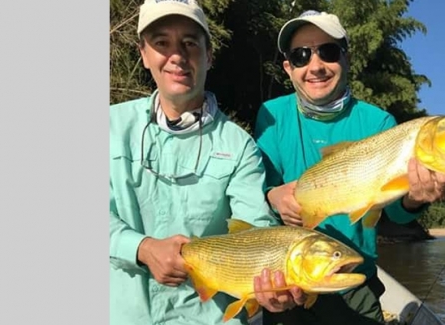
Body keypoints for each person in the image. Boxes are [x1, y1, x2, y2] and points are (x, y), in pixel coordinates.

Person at [254, 10, 445, 325]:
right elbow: (255, 192)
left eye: (328, 51)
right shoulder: (271, 115)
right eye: (301, 56)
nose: (315, 66)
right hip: (290, 285)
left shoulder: (378, 122)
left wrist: (417, 197)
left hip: (354, 282)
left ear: (346, 58)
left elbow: (395, 213)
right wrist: (272, 197)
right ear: (288, 68)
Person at [109, 1, 305, 324]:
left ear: (209, 54)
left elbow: (256, 229)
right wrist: (141, 248)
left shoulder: (239, 146)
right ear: (143, 53)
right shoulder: (109, 126)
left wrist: (269, 288)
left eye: (189, 43)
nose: (177, 56)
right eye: (162, 43)